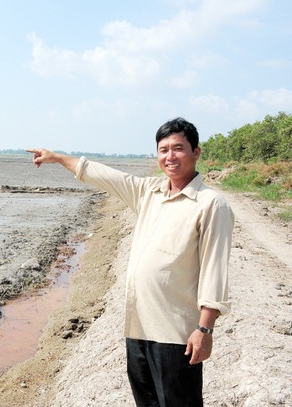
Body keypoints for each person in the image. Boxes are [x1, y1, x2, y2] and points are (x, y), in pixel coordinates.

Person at [27, 118, 234, 407]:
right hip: (138, 328)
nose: (170, 156)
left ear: (196, 152)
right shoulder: (150, 192)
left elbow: (215, 269)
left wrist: (205, 330)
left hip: (177, 334)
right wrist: (58, 157)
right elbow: (104, 175)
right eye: (163, 150)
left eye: (178, 148)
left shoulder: (211, 204)